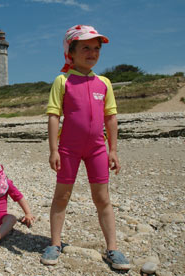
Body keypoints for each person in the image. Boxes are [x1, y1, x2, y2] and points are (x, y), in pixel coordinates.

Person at [41, 25, 131, 271]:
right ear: (71, 51)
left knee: (102, 198)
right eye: (85, 48)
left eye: (96, 49)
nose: (92, 53)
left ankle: (112, 248)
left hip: (97, 149)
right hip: (68, 148)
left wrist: (113, 150)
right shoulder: (63, 81)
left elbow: (111, 117)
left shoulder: (104, 83)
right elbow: (53, 115)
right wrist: (53, 149)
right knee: (62, 196)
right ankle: (55, 243)